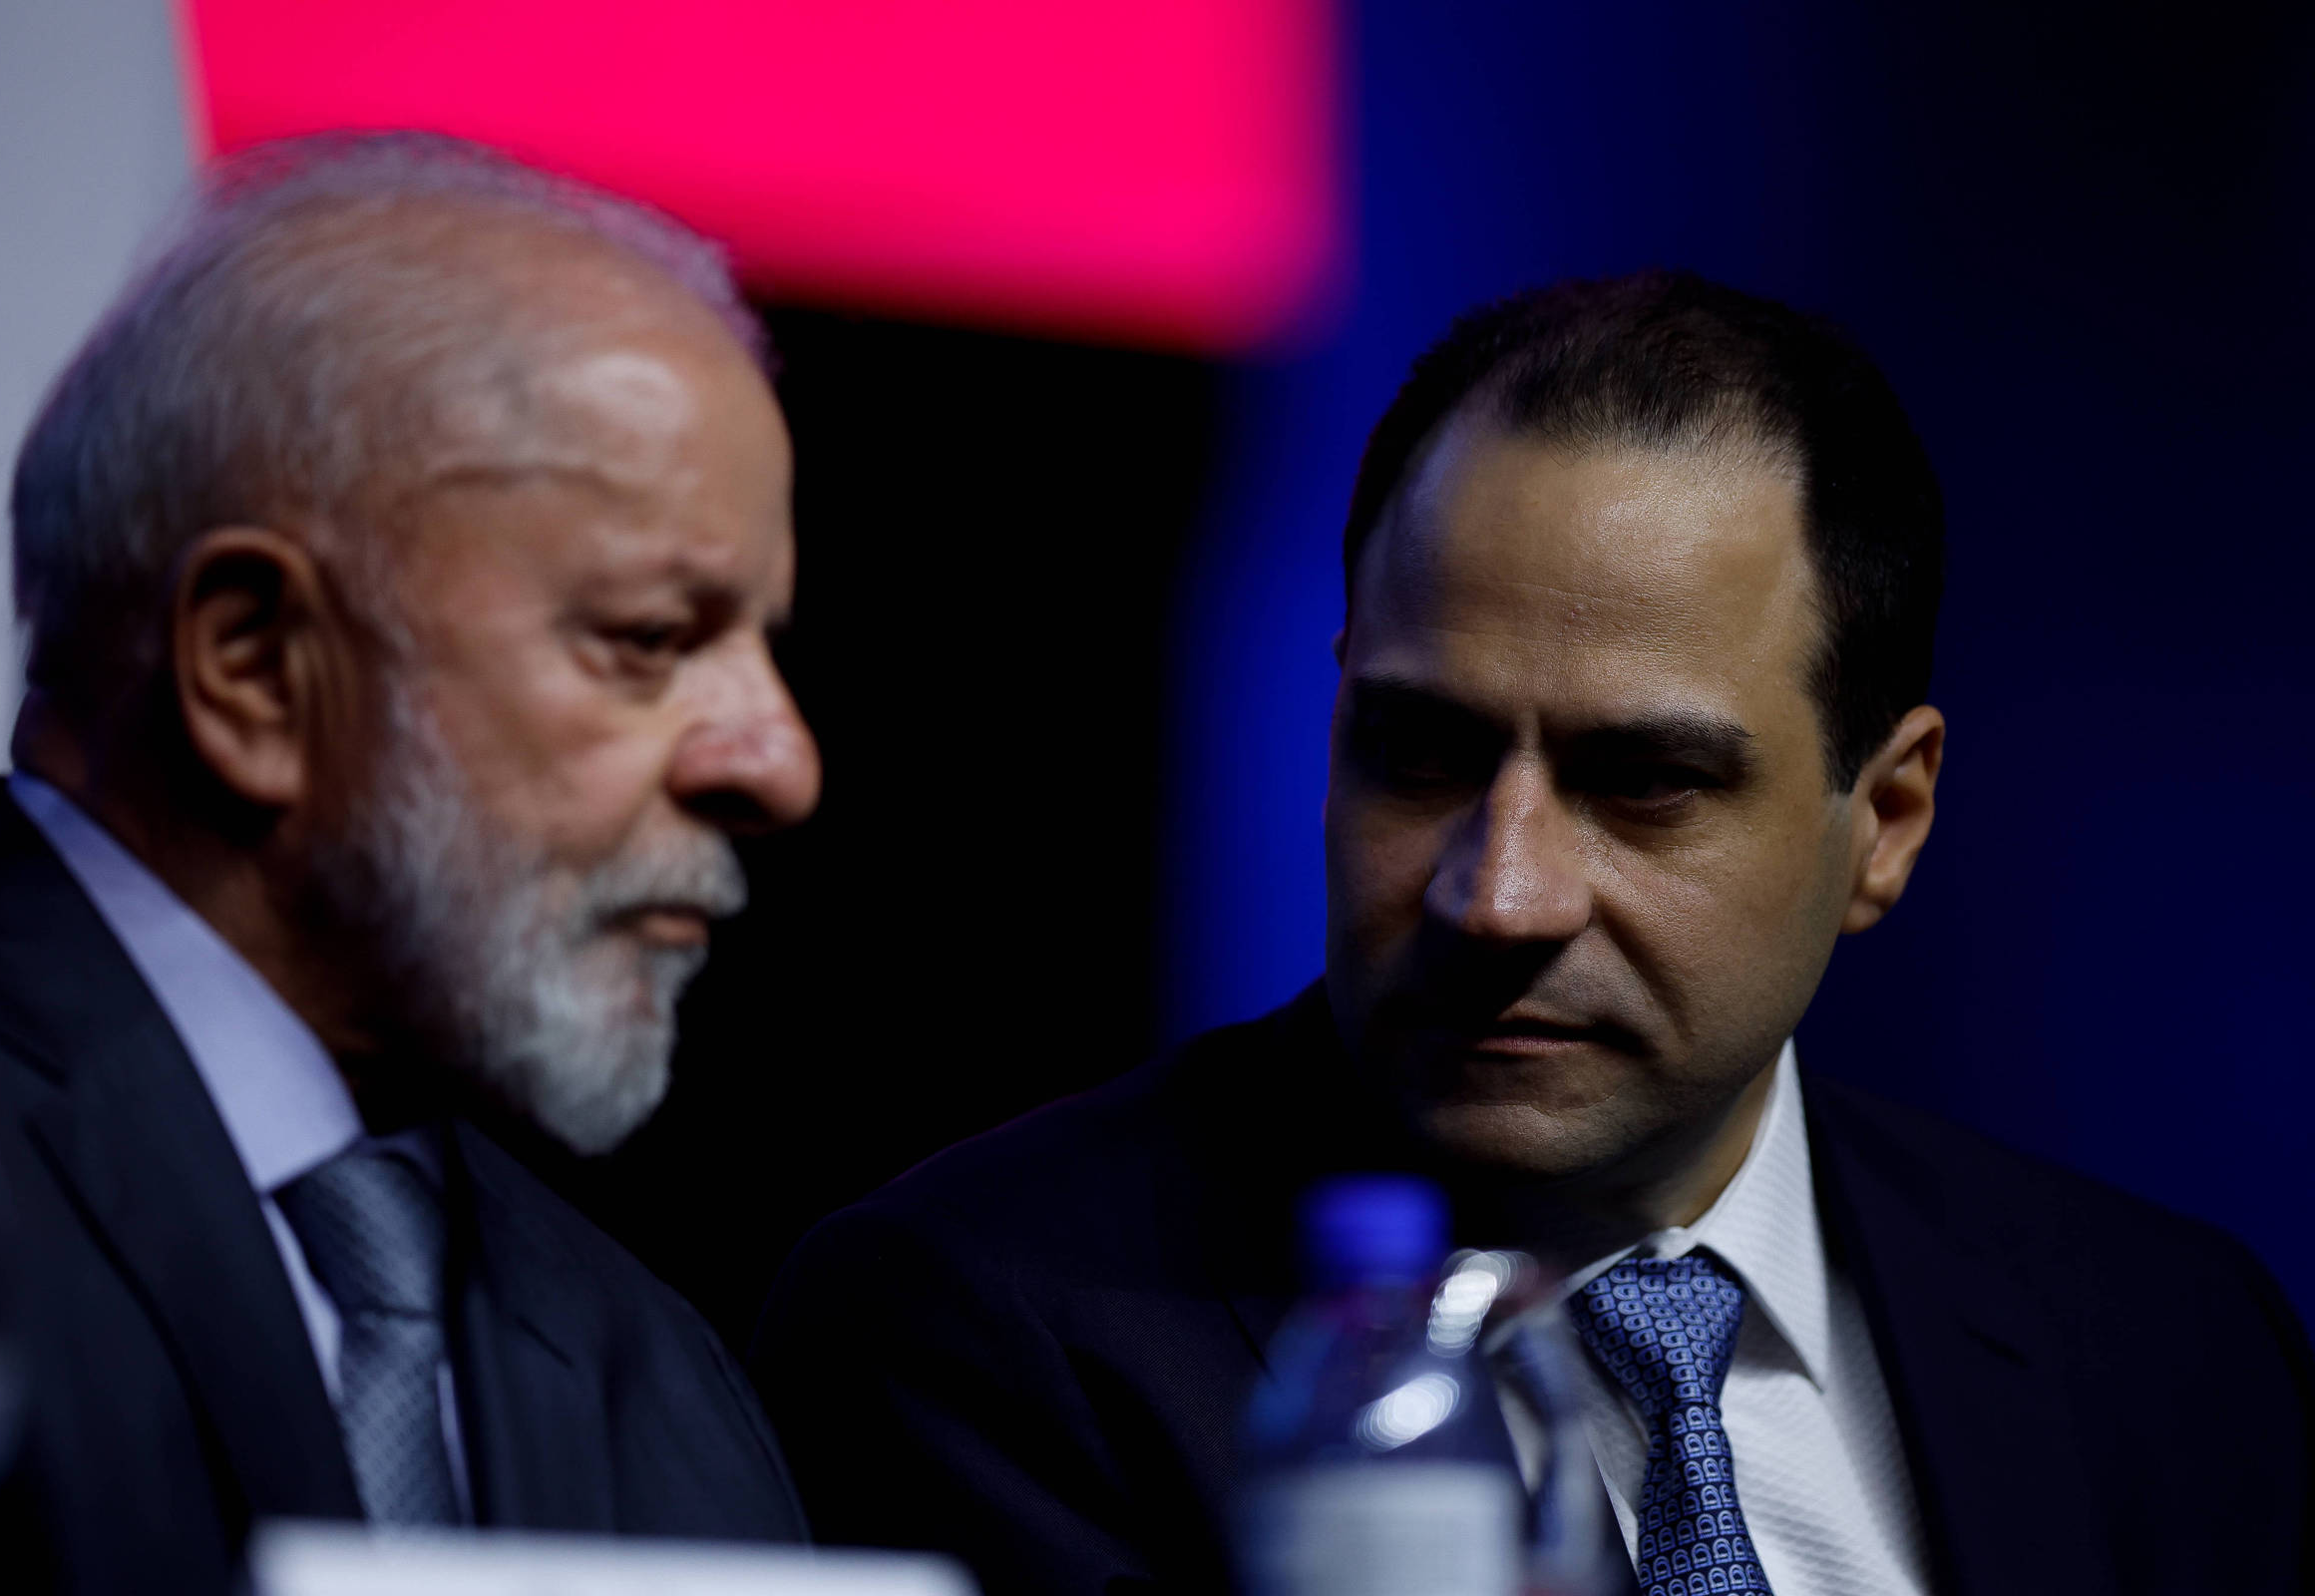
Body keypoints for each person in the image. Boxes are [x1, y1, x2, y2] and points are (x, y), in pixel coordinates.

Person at [754, 271, 2315, 1596]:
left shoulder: (2170, 1346)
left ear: (1887, 820)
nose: (1498, 896)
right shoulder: (984, 1329)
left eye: (1646, 784)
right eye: (1419, 754)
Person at [0, 131, 820, 1590]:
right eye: (650, 641)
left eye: (763, 649)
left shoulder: (656, 1375)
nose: (779, 764)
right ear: (255, 667)